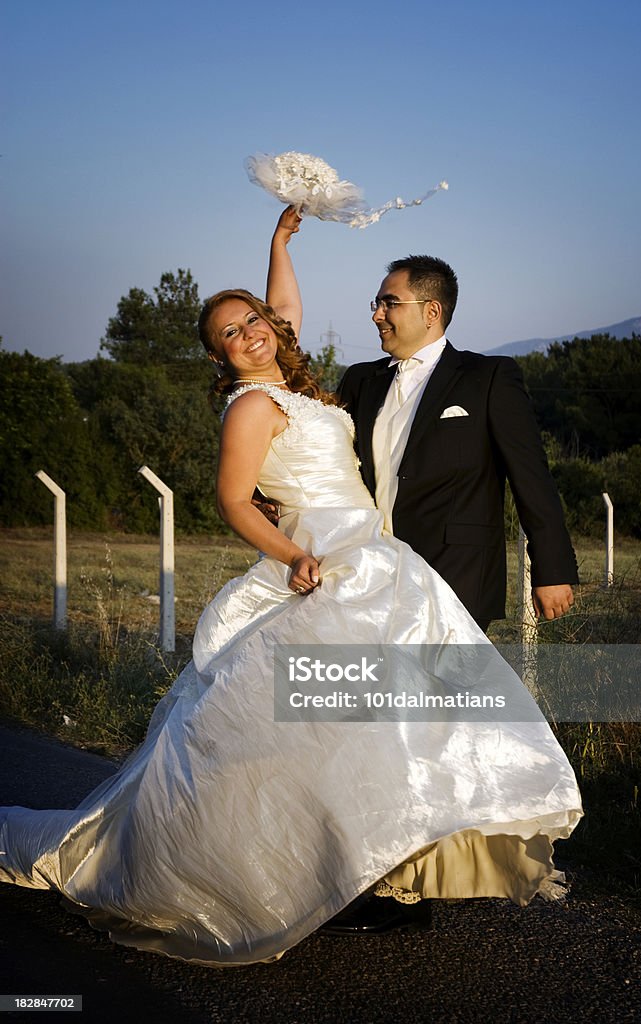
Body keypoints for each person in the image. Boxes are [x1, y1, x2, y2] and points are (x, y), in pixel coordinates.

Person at [0, 209, 582, 966]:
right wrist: (291, 554)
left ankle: (392, 869)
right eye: (228, 336)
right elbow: (234, 500)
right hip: (328, 556)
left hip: (391, 556)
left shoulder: (335, 387)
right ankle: (317, 870)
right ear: (218, 356)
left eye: (252, 323)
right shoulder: (258, 403)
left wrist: (279, 244)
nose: (247, 336)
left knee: (407, 717)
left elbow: (288, 313)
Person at [338, 256, 578, 633]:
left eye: (390, 303)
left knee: (446, 691)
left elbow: (531, 477)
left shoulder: (489, 378)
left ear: (431, 310)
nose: (377, 315)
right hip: (368, 572)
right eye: (377, 304)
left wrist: (553, 569)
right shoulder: (359, 380)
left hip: (455, 574)